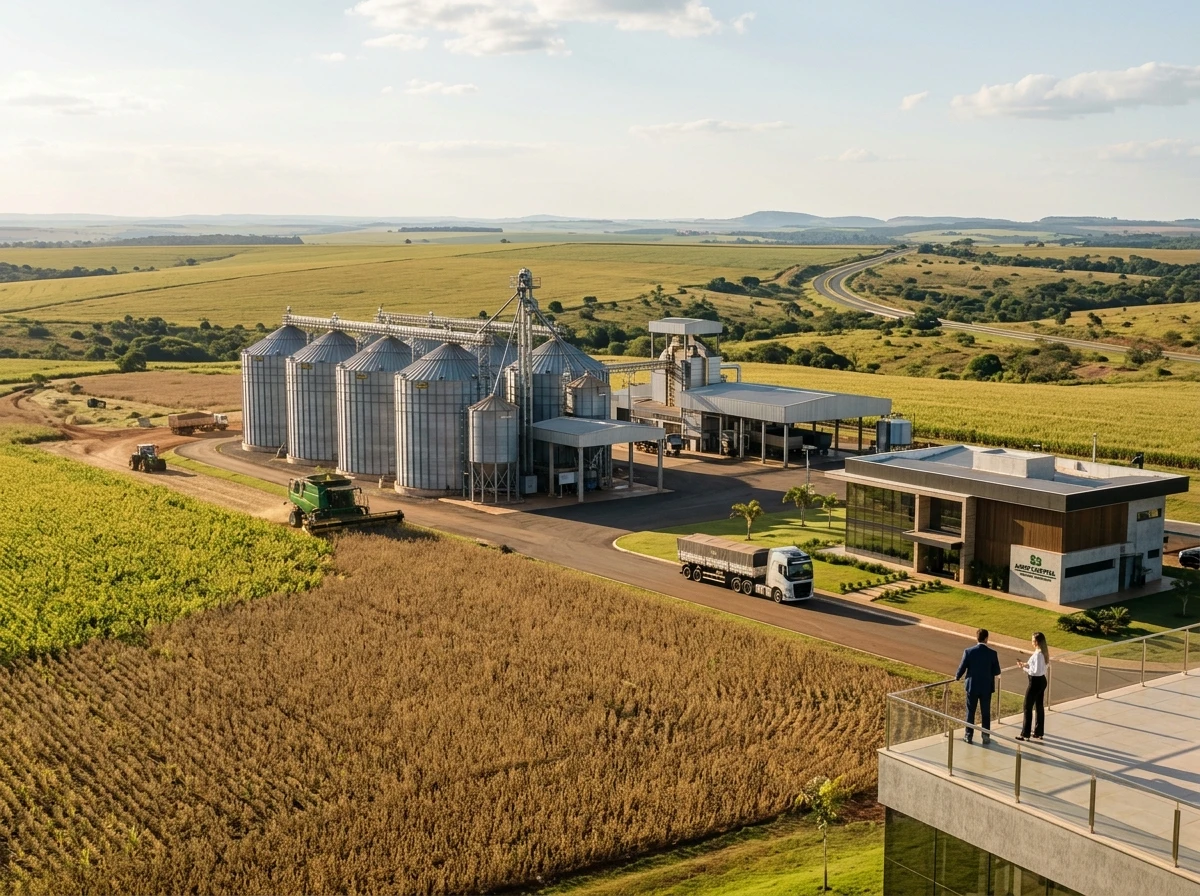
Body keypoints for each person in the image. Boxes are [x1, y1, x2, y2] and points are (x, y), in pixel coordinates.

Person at [955, 628, 1001, 745]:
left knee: (970, 712)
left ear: (977, 638)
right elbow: (997, 671)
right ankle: (985, 736)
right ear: (986, 639)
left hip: (972, 687)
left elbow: (962, 667)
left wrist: (957, 677)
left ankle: (968, 735)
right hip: (986, 688)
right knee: (985, 713)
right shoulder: (992, 653)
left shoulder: (968, 651)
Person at [1016, 632, 1050, 741]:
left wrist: (1024, 668)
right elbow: (1038, 665)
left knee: (1027, 706)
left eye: (1032, 640)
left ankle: (1025, 733)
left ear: (1037, 642)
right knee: (1039, 706)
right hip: (1042, 681)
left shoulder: (1039, 654)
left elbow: (1035, 671)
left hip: (1035, 682)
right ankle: (1039, 732)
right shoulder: (1042, 652)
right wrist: (1025, 664)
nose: (1031, 642)